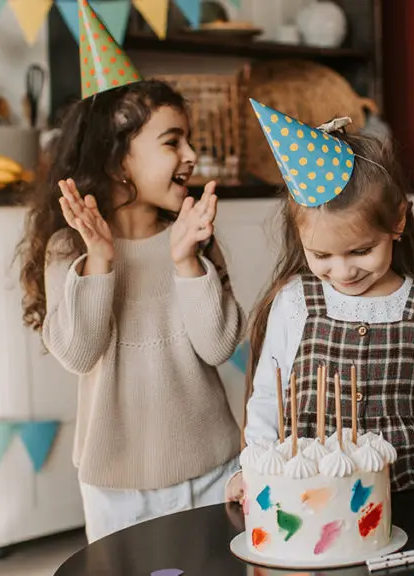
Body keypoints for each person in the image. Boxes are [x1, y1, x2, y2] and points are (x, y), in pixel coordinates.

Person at [15, 2, 243, 543]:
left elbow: (218, 346)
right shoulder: (69, 246)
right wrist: (99, 263)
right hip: (115, 483)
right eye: (172, 142)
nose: (191, 155)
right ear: (119, 159)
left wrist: (187, 260)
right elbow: (77, 353)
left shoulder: (193, 234)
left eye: (188, 139)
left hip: (212, 466)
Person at [238, 100, 414, 497]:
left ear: (397, 221)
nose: (343, 272)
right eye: (322, 255)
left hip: (406, 496)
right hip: (310, 500)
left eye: (360, 251)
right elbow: (267, 396)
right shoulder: (295, 302)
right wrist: (256, 464)